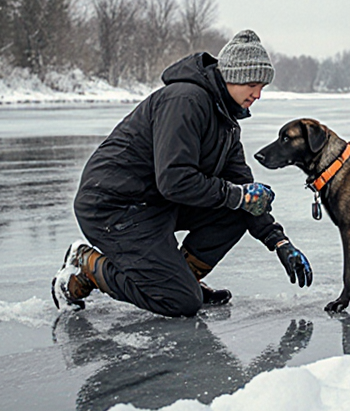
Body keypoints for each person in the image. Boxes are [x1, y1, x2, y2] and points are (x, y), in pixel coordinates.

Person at [52, 29, 313, 316]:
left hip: (156, 204)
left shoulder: (226, 120)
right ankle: (86, 265)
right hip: (116, 206)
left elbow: (243, 190)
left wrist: (279, 242)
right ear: (231, 77)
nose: (258, 94)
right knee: (180, 302)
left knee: (236, 211)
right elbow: (174, 180)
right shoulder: (185, 101)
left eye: (262, 85)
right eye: (252, 84)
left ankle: (182, 278)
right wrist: (237, 196)